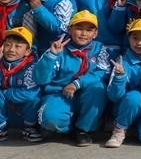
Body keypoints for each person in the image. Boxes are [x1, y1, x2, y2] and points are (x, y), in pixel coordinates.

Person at [33, 10, 110, 146]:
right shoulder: (58, 48)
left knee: (99, 88)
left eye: (89, 30)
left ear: (95, 33)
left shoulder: (99, 48)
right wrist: (51, 56)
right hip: (59, 94)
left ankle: (83, 129)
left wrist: (78, 83)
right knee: (50, 119)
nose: (83, 33)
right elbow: (40, 79)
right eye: (79, 28)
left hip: (86, 92)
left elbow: (104, 72)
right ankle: (68, 130)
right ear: (69, 29)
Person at [105, 19, 141, 147]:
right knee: (135, 96)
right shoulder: (122, 62)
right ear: (129, 38)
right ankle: (119, 129)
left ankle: (133, 128)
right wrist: (119, 77)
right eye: (135, 37)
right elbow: (114, 97)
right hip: (126, 106)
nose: (139, 42)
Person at [0, 27, 42, 142]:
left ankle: (29, 128)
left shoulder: (32, 66)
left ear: (28, 51)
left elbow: (30, 94)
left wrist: (5, 93)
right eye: (7, 45)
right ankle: (1, 129)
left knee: (36, 97)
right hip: (5, 113)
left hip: (23, 113)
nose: (11, 49)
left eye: (18, 46)